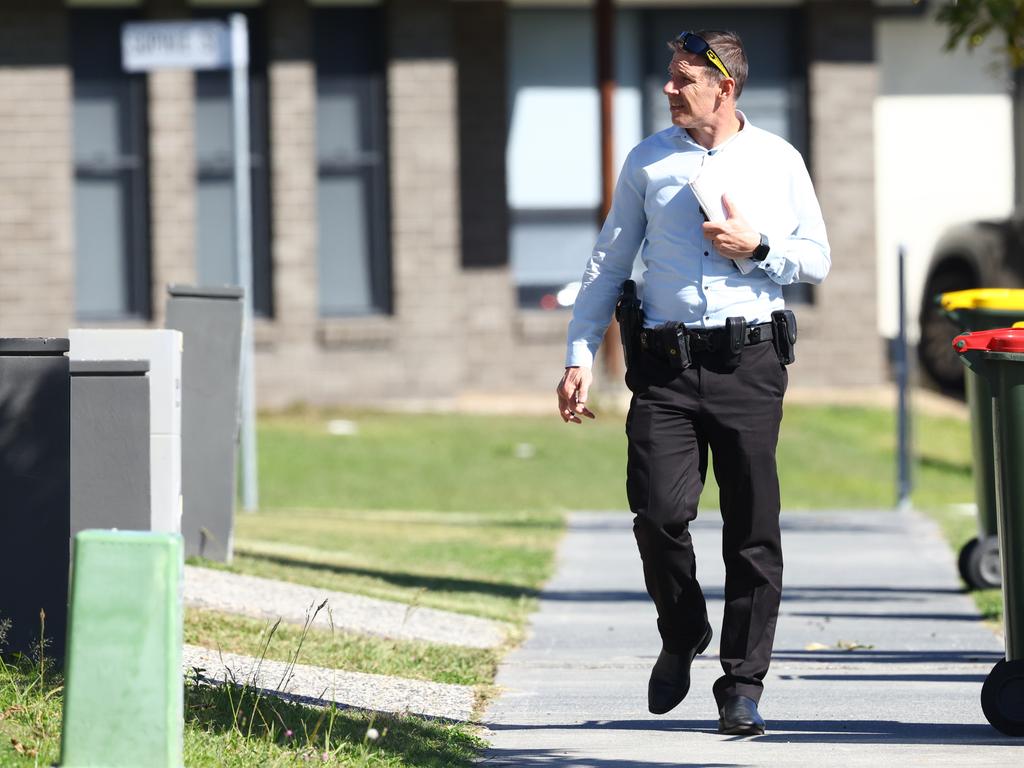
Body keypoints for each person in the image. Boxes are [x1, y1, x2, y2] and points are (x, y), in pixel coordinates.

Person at [556, 30, 830, 736]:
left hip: (749, 363)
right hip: (666, 369)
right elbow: (608, 262)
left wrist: (759, 247)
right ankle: (682, 633)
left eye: (683, 80)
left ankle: (742, 685)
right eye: (671, 78)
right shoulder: (650, 160)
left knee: (751, 528)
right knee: (657, 512)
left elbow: (817, 258)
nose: (670, 89)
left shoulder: (778, 160)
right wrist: (580, 353)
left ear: (724, 88)